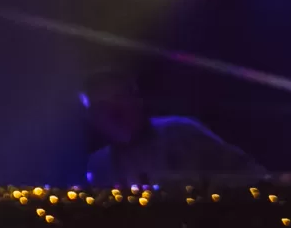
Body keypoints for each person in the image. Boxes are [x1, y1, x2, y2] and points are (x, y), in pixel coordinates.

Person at [81, 69, 265, 188]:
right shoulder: (98, 165)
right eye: (101, 107)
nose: (113, 113)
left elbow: (251, 174)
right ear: (92, 118)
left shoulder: (183, 134)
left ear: (137, 100)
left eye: (119, 98)